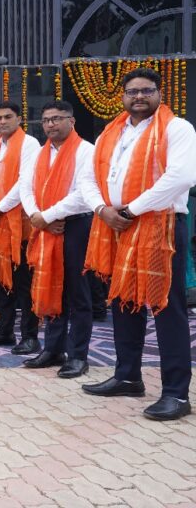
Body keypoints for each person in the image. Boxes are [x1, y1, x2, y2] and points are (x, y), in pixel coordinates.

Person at [81, 67, 196, 420]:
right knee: (123, 301)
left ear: (160, 93)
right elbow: (87, 177)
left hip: (160, 225)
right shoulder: (110, 132)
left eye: (147, 90)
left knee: (165, 306)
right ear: (123, 97)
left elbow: (181, 177)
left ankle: (176, 394)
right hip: (115, 226)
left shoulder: (176, 128)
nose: (139, 96)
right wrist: (102, 209)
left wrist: (131, 210)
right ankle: (128, 376)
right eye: (132, 91)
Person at [19, 101, 95, 377]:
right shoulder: (38, 154)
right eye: (46, 120)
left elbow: (84, 193)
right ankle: (53, 349)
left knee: (78, 293)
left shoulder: (86, 151)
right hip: (45, 227)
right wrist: (37, 216)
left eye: (56, 119)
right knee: (52, 287)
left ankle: (78, 355)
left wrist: (48, 215)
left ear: (71, 121)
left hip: (76, 226)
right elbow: (25, 188)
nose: (50, 124)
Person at [0, 101, 42, 352]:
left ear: (19, 119)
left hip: (19, 225)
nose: (2, 121)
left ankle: (30, 336)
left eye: (8, 117)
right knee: (2, 280)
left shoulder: (30, 144)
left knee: (24, 283)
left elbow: (25, 182)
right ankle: (4, 331)